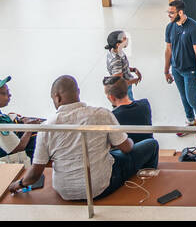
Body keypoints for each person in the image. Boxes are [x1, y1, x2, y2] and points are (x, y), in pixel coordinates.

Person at [11, 75, 159, 200]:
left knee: (112, 154)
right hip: (101, 188)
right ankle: (149, 185)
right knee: (151, 144)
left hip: (65, 191)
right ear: (78, 92)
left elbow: (35, 173)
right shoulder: (102, 114)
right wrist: (129, 141)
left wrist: (18, 184)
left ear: (56, 97)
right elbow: (126, 148)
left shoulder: (47, 127)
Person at [164, 0, 196, 140]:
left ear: (180, 12)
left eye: (172, 13)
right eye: (168, 12)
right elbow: (168, 49)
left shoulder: (194, 28)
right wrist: (166, 70)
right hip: (176, 69)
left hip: (191, 71)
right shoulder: (170, 27)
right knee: (183, 97)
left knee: (192, 98)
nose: (169, 15)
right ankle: (190, 120)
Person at [104, 75, 154, 146]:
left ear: (111, 97)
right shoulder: (145, 104)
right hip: (149, 150)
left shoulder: (113, 116)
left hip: (127, 154)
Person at [104, 30, 142, 98]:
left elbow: (122, 67)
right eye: (124, 39)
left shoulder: (117, 51)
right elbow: (120, 82)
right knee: (129, 101)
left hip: (127, 83)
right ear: (118, 44)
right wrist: (135, 80)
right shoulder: (116, 61)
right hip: (124, 89)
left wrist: (133, 69)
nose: (127, 40)